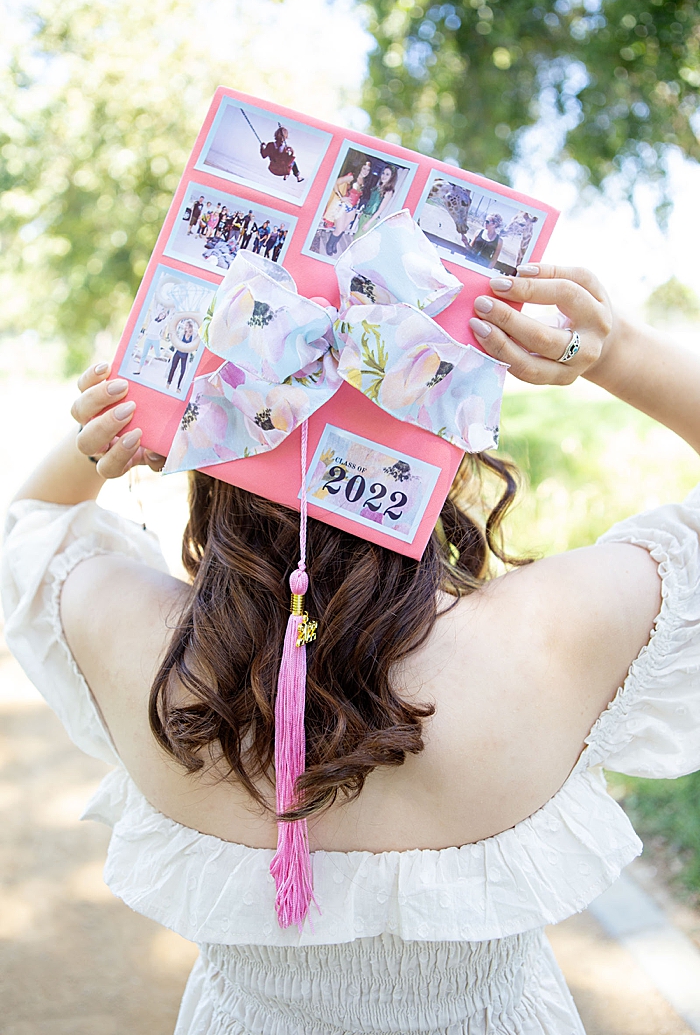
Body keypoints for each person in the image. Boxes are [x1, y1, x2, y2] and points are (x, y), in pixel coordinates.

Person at [4, 263, 700, 1034]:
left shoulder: (141, 647)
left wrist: (114, 427)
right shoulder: (550, 637)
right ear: (443, 431)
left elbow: (31, 521)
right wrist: (616, 351)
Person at [325, 158, 371, 255]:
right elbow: (335, 182)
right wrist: (341, 197)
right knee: (339, 229)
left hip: (352, 208)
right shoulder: (351, 177)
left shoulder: (363, 181)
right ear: (360, 167)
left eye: (368, 170)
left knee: (344, 229)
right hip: (342, 206)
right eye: (364, 168)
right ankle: (329, 244)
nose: (366, 171)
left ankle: (334, 244)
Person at [356, 164, 398, 236]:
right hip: (365, 215)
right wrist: (363, 212)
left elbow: (379, 210)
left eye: (387, 174)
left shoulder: (388, 192)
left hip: (370, 218)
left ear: (391, 177)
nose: (384, 176)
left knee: (358, 238)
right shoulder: (378, 187)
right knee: (356, 237)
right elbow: (370, 202)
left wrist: (368, 223)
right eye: (383, 173)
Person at [165, 315, 200, 393]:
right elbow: (177, 340)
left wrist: (191, 324)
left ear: (190, 327)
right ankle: (168, 383)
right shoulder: (182, 333)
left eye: (188, 326)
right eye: (186, 326)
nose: (186, 328)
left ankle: (179, 387)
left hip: (185, 355)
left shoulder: (193, 335)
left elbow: (197, 331)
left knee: (183, 371)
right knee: (173, 368)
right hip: (178, 353)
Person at [132, 305, 169, 374]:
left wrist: (172, 311)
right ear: (159, 315)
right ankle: (139, 370)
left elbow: (168, 318)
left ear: (164, 318)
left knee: (158, 355)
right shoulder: (153, 319)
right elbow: (154, 309)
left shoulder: (162, 323)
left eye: (163, 316)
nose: (162, 316)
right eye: (161, 315)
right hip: (149, 338)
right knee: (144, 354)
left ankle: (162, 355)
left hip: (155, 339)